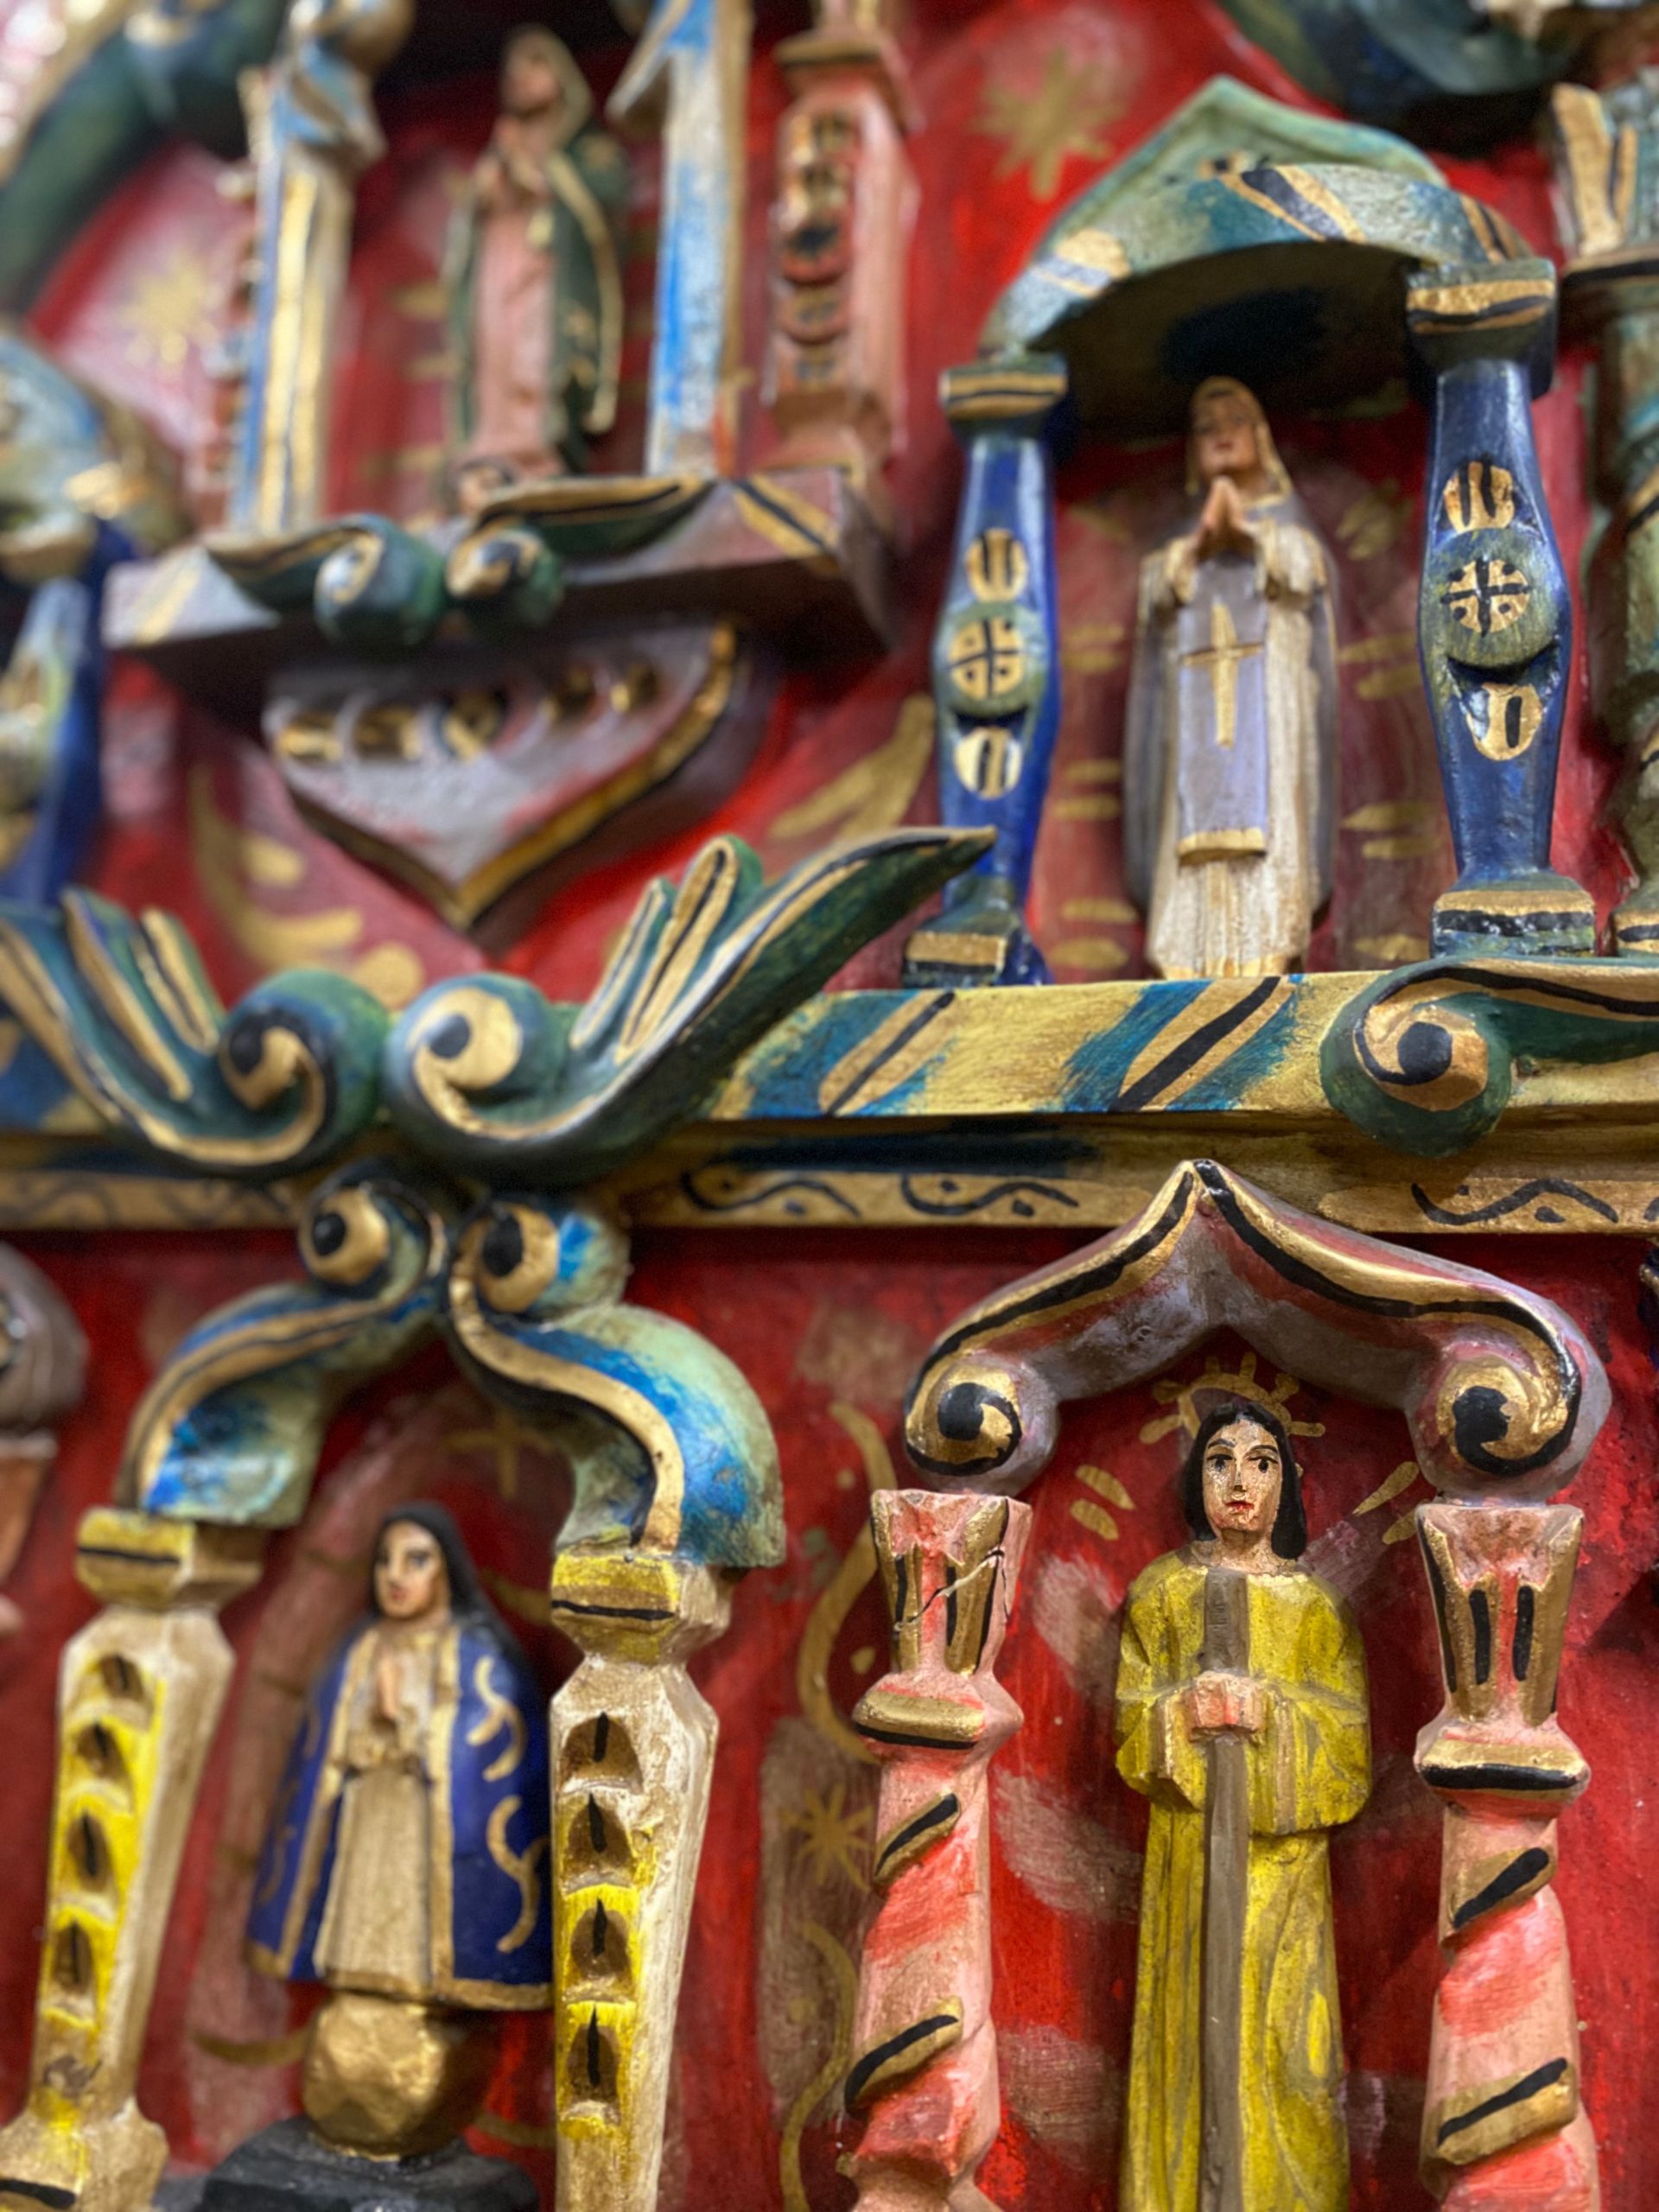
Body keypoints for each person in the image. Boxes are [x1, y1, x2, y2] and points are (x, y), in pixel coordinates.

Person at [1115, 1401, 1370, 2211]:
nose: (1238, 1481)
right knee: (1189, 2042)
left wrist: (1273, 1715)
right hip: (1189, 1861)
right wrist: (1178, 1714)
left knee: (1290, 2051)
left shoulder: (1315, 1608)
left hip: (1284, 1877)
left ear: (1287, 1485)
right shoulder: (1161, 1592)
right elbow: (1128, 1729)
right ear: (1197, 1479)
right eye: (1219, 1460)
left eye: (1262, 1463)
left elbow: (1351, 1757)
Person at [247, 1502, 551, 2011]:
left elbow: (484, 1760)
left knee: (410, 1930)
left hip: (425, 1832)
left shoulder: (476, 1659)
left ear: (446, 1571)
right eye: (385, 1560)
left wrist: (402, 1718)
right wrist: (362, 1737)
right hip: (367, 1818)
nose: (395, 1576)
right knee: (359, 1926)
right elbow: (323, 1751)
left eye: (416, 1561)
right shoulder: (361, 1649)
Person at [1122, 378, 1339, 978]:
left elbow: (1306, 579)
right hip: (1192, 719)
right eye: (1204, 424)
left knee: (1268, 822)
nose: (1218, 433)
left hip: (1268, 717)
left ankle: (1265, 948)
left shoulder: (1289, 533)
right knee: (1188, 829)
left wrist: (1248, 538)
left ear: (1259, 437)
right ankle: (1186, 958)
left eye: (1233, 419)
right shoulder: (1178, 546)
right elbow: (1155, 598)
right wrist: (1195, 548)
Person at [447, 29, 626, 509]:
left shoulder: (584, 152)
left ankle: (536, 448)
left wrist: (538, 175)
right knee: (497, 351)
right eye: (514, 71)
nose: (522, 79)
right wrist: (487, 190)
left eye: (535, 64)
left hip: (549, 273)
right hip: (500, 265)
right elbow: (471, 223)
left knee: (535, 349)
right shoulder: (501, 147)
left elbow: (602, 204)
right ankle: (492, 446)